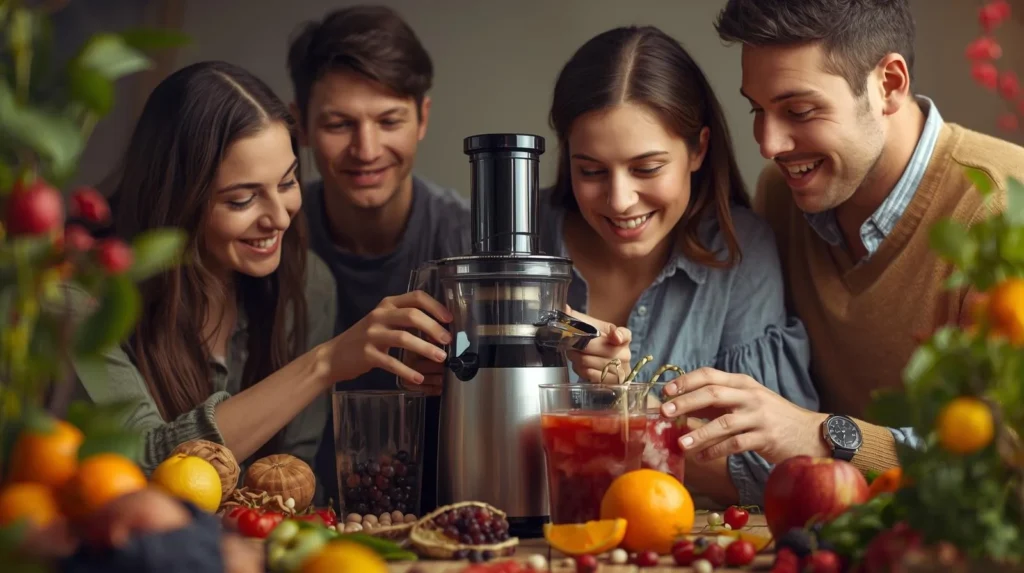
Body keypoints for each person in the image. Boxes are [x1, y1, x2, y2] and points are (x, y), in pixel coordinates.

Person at [656, 0, 1024, 479]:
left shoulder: (1004, 208)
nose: (768, 144)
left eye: (800, 110)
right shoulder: (781, 195)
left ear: (889, 84)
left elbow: (1007, 456)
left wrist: (823, 435)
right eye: (757, 109)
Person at [69, 61, 451, 482]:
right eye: (242, 200)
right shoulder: (81, 298)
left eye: (286, 183)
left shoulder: (306, 284)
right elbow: (139, 466)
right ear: (177, 200)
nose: (280, 219)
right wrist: (323, 364)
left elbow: (290, 477)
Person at [540, 25, 819, 506]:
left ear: (698, 150)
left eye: (647, 168)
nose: (620, 200)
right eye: (591, 171)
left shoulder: (740, 252)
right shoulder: (515, 241)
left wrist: (627, 401)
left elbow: (773, 470)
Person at [285, 5, 470, 512]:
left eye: (389, 121)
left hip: (443, 517)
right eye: (339, 123)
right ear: (300, 124)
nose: (366, 149)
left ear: (422, 118)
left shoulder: (470, 241)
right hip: (295, 518)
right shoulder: (270, 241)